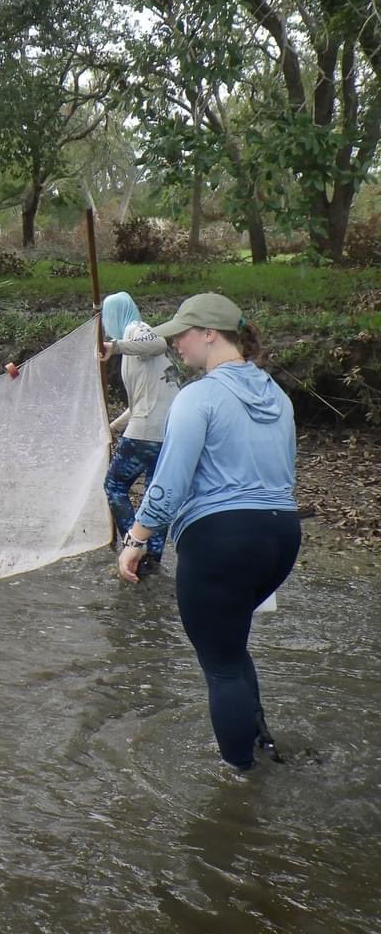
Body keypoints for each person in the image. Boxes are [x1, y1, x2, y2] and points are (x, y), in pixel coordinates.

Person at [117, 293, 299, 771]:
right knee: (232, 647)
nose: (175, 342)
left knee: (219, 667)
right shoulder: (277, 395)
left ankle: (239, 785)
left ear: (210, 334)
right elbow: (285, 473)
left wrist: (135, 540)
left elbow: (169, 483)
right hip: (281, 538)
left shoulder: (198, 396)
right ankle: (261, 742)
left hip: (220, 540)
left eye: (182, 332)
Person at [99, 292, 180, 574]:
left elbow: (159, 342)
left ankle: (133, 544)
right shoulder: (134, 347)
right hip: (166, 431)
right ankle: (151, 561)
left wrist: (116, 346)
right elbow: (138, 405)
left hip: (146, 434)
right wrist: (111, 428)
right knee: (153, 495)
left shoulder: (137, 331)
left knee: (114, 486)